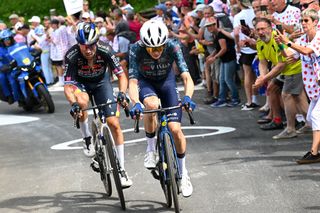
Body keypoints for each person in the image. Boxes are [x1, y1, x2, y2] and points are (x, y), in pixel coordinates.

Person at [128, 20, 195, 197]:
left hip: (167, 82)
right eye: (151, 49)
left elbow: (187, 77)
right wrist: (135, 102)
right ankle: (151, 150)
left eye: (159, 48)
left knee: (175, 129)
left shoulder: (173, 46)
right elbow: (133, 81)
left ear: (165, 43)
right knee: (151, 105)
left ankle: (183, 173)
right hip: (146, 82)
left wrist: (188, 97)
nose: (156, 52)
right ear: (144, 45)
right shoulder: (136, 49)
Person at [63, 22, 132, 188]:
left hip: (102, 83)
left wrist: (122, 93)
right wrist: (73, 103)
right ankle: (87, 137)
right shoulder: (71, 55)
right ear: (78, 44)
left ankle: (121, 169)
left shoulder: (106, 49)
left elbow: (122, 76)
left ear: (96, 43)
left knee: (114, 123)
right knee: (82, 102)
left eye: (91, 46)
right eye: (84, 46)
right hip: (81, 85)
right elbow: (67, 86)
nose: (88, 50)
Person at [275, 9, 320, 163]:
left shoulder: (318, 38)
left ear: (315, 22)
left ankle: (314, 153)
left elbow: (307, 51)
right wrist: (281, 44)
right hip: (314, 88)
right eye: (302, 21)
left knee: (316, 117)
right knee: (310, 118)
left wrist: (288, 41)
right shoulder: (303, 40)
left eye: (306, 20)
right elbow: (288, 55)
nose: (303, 24)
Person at [253, 18, 308, 140]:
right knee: (297, 97)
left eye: (263, 29)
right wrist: (262, 76)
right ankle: (310, 124)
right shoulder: (259, 42)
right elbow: (262, 62)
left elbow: (281, 64)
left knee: (287, 95)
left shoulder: (277, 38)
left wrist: (263, 79)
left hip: (294, 68)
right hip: (284, 70)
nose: (261, 32)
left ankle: (290, 129)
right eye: (258, 30)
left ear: (270, 28)